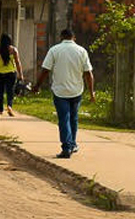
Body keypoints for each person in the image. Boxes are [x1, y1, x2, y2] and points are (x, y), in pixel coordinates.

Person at [32, 29, 95, 159]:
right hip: (76, 91)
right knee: (73, 118)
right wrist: (91, 92)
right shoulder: (81, 51)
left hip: (60, 91)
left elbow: (45, 70)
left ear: (61, 37)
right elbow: (88, 73)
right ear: (74, 38)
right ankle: (72, 144)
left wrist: (37, 86)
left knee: (64, 118)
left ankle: (67, 146)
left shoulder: (54, 50)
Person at [0, 33, 23, 117]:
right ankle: (9, 106)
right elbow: (17, 62)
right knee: (10, 91)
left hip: (0, 73)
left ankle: (1, 110)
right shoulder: (13, 50)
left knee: (0, 91)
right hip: (11, 73)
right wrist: (21, 74)